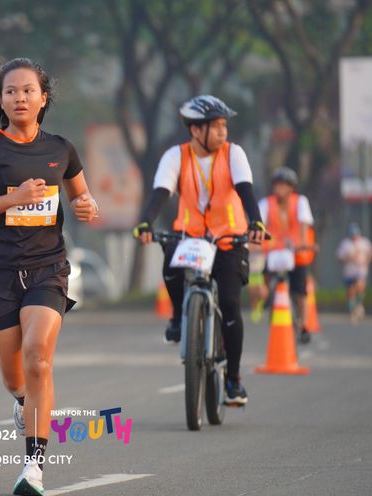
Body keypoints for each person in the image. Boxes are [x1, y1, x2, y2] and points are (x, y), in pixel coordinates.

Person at [0, 57, 98, 496]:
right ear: (0, 100)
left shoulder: (61, 149)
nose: (19, 98)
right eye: (11, 91)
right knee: (15, 378)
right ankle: (22, 401)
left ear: (43, 98)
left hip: (47, 269)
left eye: (27, 90)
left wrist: (87, 206)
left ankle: (33, 466)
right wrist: (13, 198)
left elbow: (81, 195)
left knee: (38, 359)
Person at [133, 95, 265, 406]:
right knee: (170, 256)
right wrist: (145, 222)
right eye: (216, 126)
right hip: (190, 234)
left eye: (224, 126)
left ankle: (233, 380)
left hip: (229, 237)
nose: (223, 132)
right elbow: (161, 191)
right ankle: (179, 317)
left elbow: (245, 190)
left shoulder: (234, 153)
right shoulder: (176, 156)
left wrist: (256, 222)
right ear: (196, 130)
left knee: (230, 303)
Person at [258, 167, 316, 343]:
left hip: (295, 252)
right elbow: (259, 226)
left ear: (291, 187)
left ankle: (304, 325)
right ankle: (269, 297)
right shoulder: (266, 203)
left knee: (300, 289)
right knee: (264, 277)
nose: (280, 189)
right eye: (277, 185)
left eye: (284, 185)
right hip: (274, 252)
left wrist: (304, 244)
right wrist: (254, 244)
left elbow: (304, 224)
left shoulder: (300, 202)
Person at [336, 222, 372, 323]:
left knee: (360, 286)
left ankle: (359, 305)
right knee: (351, 291)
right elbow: (339, 257)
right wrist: (349, 257)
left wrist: (366, 261)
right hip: (349, 271)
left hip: (361, 269)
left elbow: (369, 253)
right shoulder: (345, 244)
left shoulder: (364, 242)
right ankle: (353, 310)